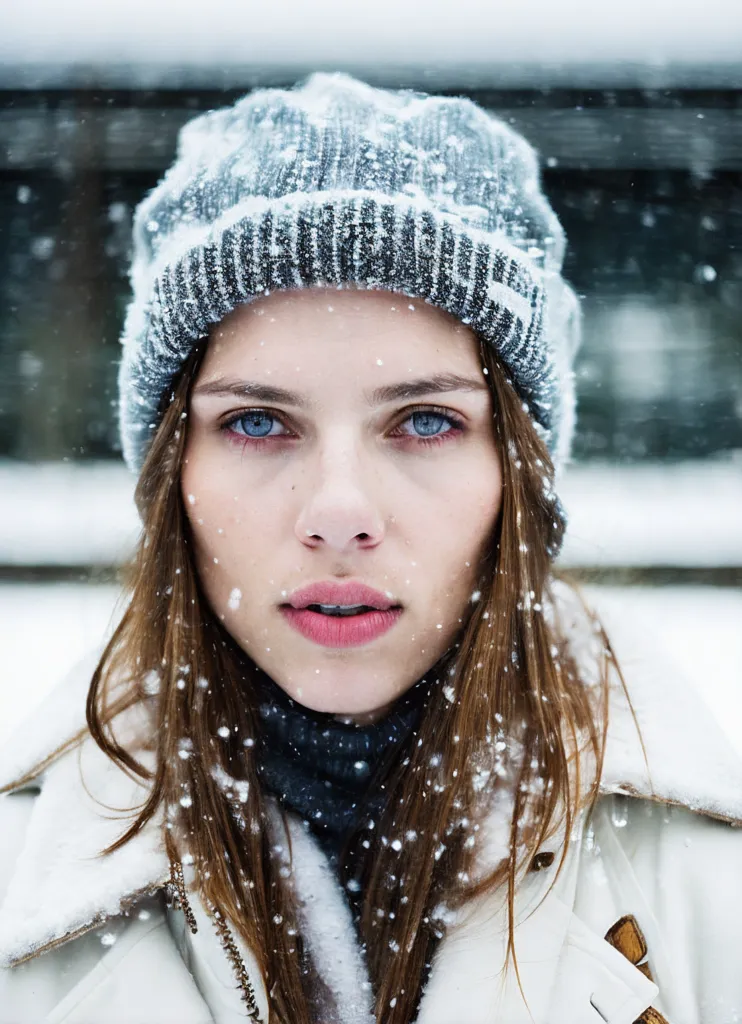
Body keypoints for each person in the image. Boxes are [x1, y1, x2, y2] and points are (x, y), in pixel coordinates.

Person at [0, 71, 740, 1024]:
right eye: (259, 423)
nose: (340, 512)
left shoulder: (707, 881)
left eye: (426, 421)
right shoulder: (22, 877)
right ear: (171, 477)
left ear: (516, 475)